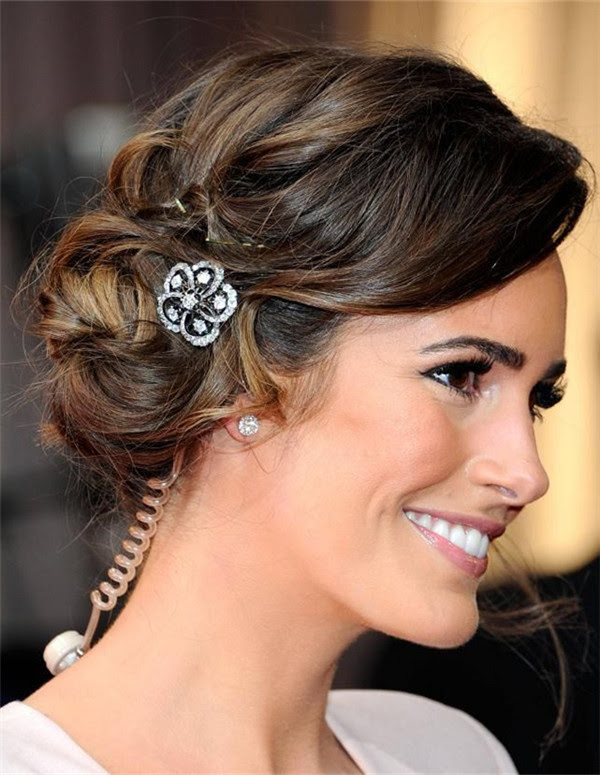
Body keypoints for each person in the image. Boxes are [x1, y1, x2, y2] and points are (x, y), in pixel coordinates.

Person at [1, 43, 589, 774]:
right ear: (242, 377)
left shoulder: (453, 754)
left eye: (537, 400)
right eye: (460, 375)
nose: (528, 474)